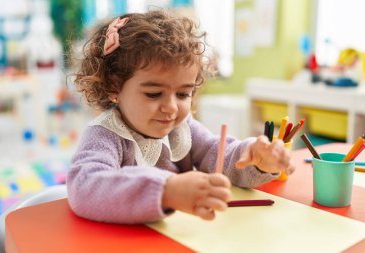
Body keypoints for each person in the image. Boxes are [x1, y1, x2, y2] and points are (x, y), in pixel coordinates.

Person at [67, 10, 295, 224]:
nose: (171, 108)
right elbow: (83, 186)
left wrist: (253, 158)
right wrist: (167, 191)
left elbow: (217, 153)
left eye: (184, 93)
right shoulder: (105, 134)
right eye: (154, 93)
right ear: (113, 88)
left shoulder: (181, 127)